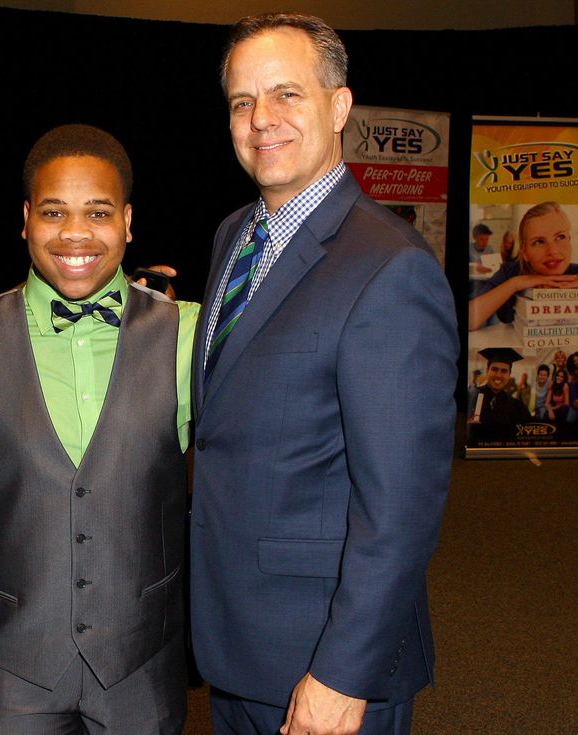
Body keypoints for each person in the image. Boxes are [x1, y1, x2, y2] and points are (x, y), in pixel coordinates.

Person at [188, 13, 458, 735]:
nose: (261, 119)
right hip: (237, 644)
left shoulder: (390, 267)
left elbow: (400, 507)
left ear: (339, 107)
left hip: (328, 667)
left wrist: (343, 671)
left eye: (287, 95)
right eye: (242, 101)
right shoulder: (233, 236)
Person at [0, 124, 197, 734]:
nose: (75, 233)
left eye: (97, 212)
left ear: (128, 222)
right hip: (1, 674)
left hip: (141, 671)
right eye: (54, 212)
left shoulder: (188, 337)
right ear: (25, 220)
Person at [468, 201, 578, 330]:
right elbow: (468, 320)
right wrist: (515, 284)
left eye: (560, 237)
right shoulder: (509, 272)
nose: (552, 250)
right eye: (538, 242)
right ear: (525, 253)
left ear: (569, 241)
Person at [467, 348, 532, 442]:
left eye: (504, 371)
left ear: (509, 375)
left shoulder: (518, 407)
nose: (498, 375)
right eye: (494, 369)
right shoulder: (470, 398)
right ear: (487, 371)